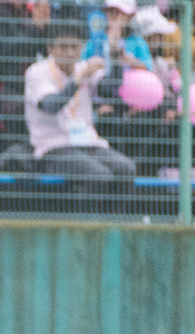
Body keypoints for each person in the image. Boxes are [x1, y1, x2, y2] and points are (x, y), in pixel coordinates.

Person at [25, 20, 137, 200]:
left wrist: (115, 57)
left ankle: (115, 226)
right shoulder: (38, 72)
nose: (69, 52)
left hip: (87, 142)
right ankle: (87, 227)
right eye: (63, 46)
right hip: (54, 147)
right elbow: (51, 105)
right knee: (99, 176)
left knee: (126, 169)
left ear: (81, 48)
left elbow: (110, 89)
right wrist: (77, 80)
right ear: (50, 48)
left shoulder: (82, 68)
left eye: (74, 46)